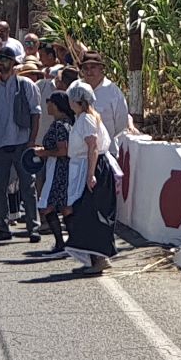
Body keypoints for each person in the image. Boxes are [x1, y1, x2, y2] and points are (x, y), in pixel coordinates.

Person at [0, 47, 42, 243]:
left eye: (5, 60)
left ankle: (33, 227)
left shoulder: (26, 85)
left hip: (21, 142)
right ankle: (3, 226)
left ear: (13, 63)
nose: (1, 63)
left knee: (27, 186)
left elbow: (35, 113)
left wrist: (32, 140)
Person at [63, 81, 117, 274]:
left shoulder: (86, 119)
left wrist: (90, 174)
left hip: (90, 167)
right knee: (88, 212)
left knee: (88, 213)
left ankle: (98, 258)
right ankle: (96, 257)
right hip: (87, 166)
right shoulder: (88, 118)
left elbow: (92, 147)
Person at [35, 92, 74, 258]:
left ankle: (61, 242)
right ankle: (70, 241)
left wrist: (44, 152)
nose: (47, 105)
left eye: (49, 102)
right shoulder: (65, 123)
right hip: (58, 167)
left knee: (48, 205)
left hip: (59, 168)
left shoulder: (60, 126)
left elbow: (63, 150)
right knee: (64, 206)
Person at [78, 51, 140, 151]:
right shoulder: (77, 89)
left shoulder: (113, 92)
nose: (89, 72)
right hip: (81, 154)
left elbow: (121, 123)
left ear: (101, 68)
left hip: (106, 152)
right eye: (85, 68)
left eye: (93, 67)